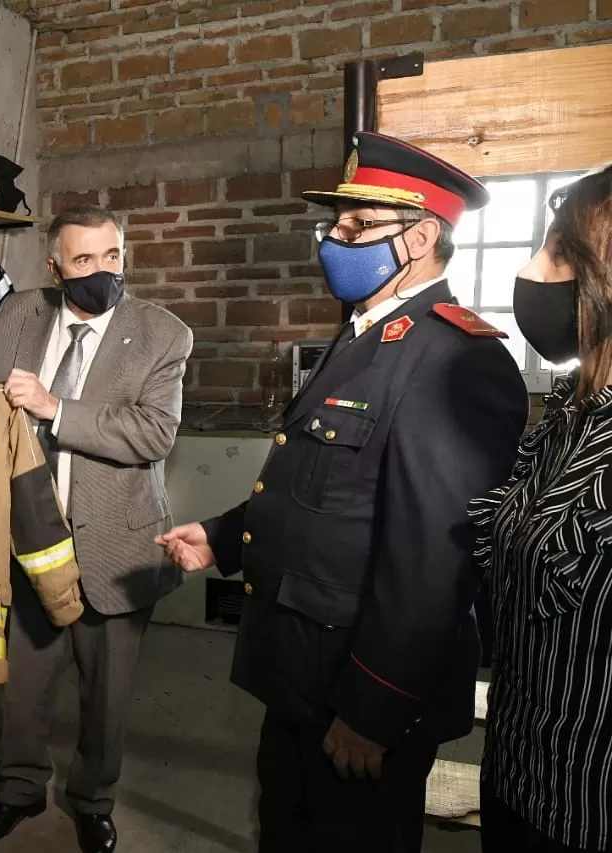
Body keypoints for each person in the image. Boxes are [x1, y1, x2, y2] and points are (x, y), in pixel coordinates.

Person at [157, 131, 530, 853]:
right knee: (287, 828)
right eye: (335, 222)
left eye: (357, 225)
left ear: (421, 237)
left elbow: (435, 558)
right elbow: (321, 487)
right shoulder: (369, 332)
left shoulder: (456, 360)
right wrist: (227, 535)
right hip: (302, 671)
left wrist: (374, 707)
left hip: (360, 692)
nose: (335, 238)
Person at [0, 204, 193, 853]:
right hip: (29, 541)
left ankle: (92, 800)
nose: (102, 271)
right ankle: (18, 790)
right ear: (55, 267)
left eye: (112, 257)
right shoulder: (20, 313)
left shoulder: (163, 334)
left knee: (105, 698)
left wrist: (56, 408)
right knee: (24, 687)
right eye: (84, 261)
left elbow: (154, 433)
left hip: (116, 546)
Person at [471, 163, 612, 853]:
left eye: (557, 250)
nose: (532, 270)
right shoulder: (567, 411)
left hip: (586, 809)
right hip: (517, 774)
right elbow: (495, 530)